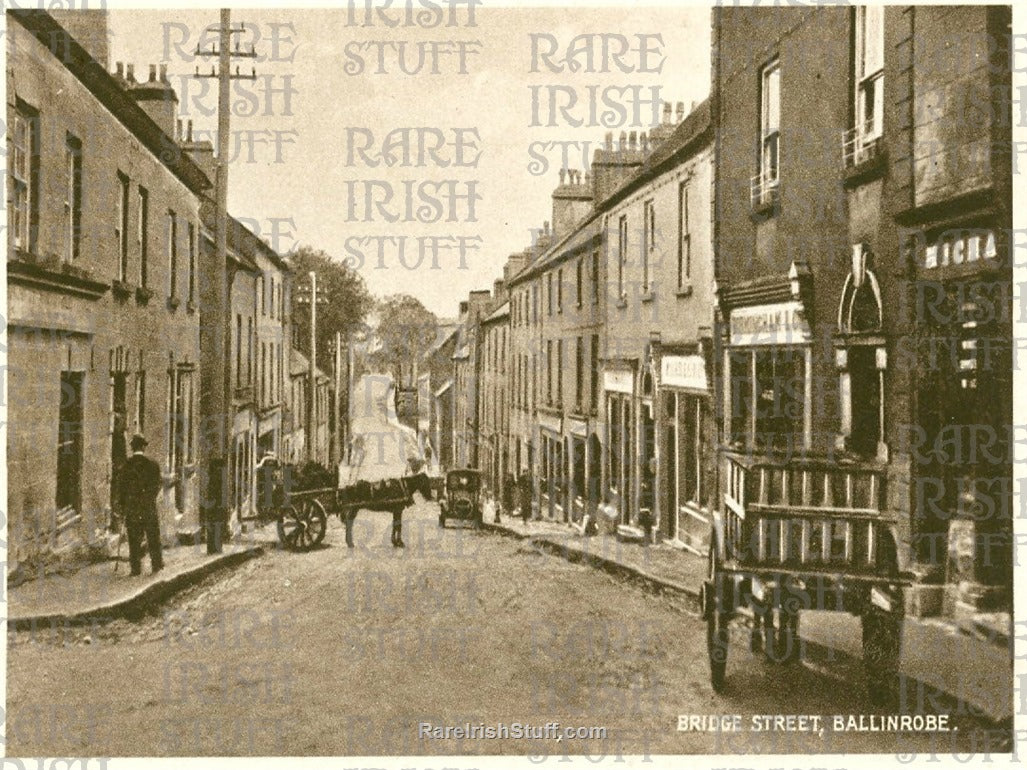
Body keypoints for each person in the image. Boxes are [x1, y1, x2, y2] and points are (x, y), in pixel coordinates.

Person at [118, 433, 164, 576]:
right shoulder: (153, 464)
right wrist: (150, 498)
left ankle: (135, 568)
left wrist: (123, 505)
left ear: (132, 447)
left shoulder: (126, 465)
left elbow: (121, 488)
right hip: (148, 507)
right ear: (144, 447)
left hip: (132, 508)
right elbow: (157, 485)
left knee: (133, 538)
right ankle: (156, 565)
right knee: (153, 537)